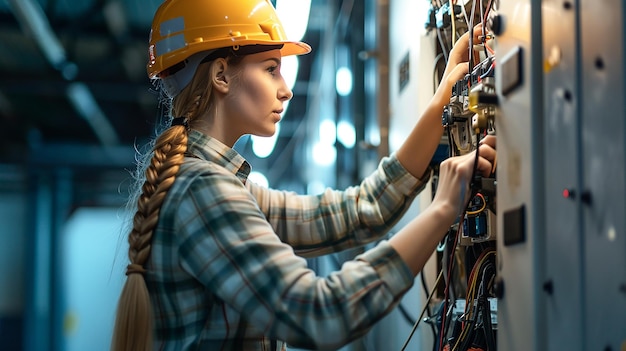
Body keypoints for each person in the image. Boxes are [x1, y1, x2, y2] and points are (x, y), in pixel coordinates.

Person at [111, 0, 496, 350]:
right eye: (271, 69)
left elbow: (359, 211)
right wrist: (443, 208)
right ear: (222, 76)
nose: (287, 90)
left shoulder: (215, 184)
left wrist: (440, 101)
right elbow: (323, 314)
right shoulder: (203, 191)